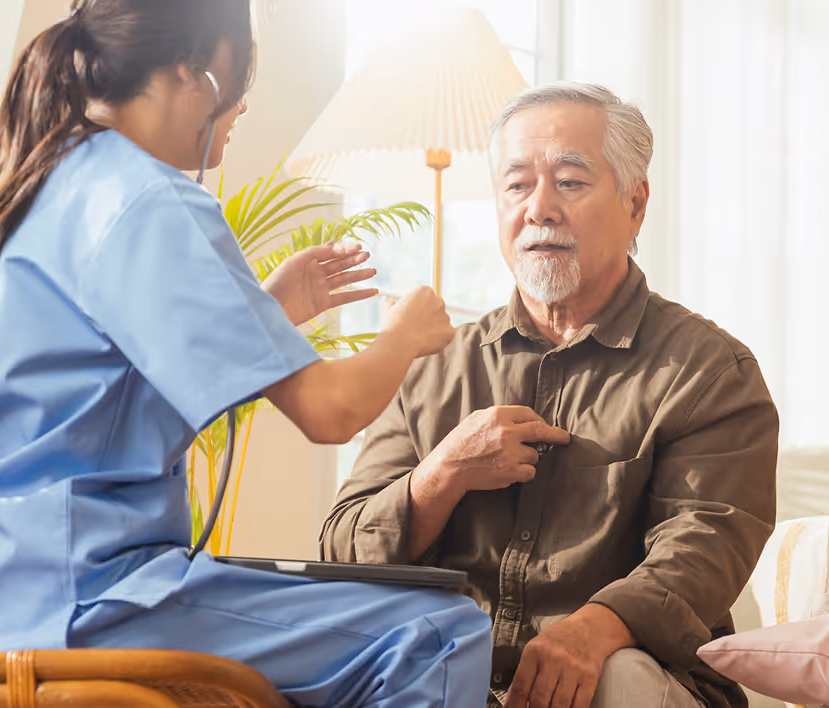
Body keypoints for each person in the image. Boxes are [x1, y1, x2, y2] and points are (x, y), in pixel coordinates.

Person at [0, 1, 492, 706]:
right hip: (86, 603)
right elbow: (331, 410)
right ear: (198, 71)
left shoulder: (49, 183)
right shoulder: (148, 198)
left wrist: (270, 307)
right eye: (241, 72)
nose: (245, 101)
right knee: (441, 630)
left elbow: (112, 374)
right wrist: (404, 335)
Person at [321, 82, 779, 708]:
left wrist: (595, 629)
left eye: (569, 181)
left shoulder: (708, 371)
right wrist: (443, 472)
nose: (538, 208)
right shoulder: (433, 365)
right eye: (516, 185)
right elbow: (342, 550)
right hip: (449, 680)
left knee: (617, 677)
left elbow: (705, 547)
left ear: (635, 202)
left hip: (632, 677)